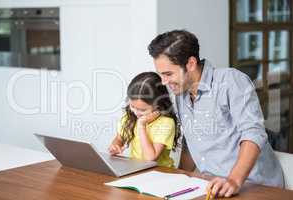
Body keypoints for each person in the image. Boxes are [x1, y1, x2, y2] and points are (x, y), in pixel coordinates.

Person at [148, 30, 284, 197]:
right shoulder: (181, 94)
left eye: (168, 74)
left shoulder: (230, 81)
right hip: (211, 187)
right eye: (161, 75)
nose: (164, 82)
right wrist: (179, 178)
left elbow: (253, 133)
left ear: (190, 64)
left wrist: (233, 180)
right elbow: (191, 142)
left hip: (253, 186)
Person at [108, 72, 180, 168]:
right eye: (132, 106)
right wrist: (115, 145)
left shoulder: (165, 123)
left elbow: (150, 158)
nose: (136, 112)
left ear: (158, 105)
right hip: (136, 169)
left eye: (143, 110)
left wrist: (141, 125)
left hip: (159, 173)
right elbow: (120, 138)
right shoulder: (130, 116)